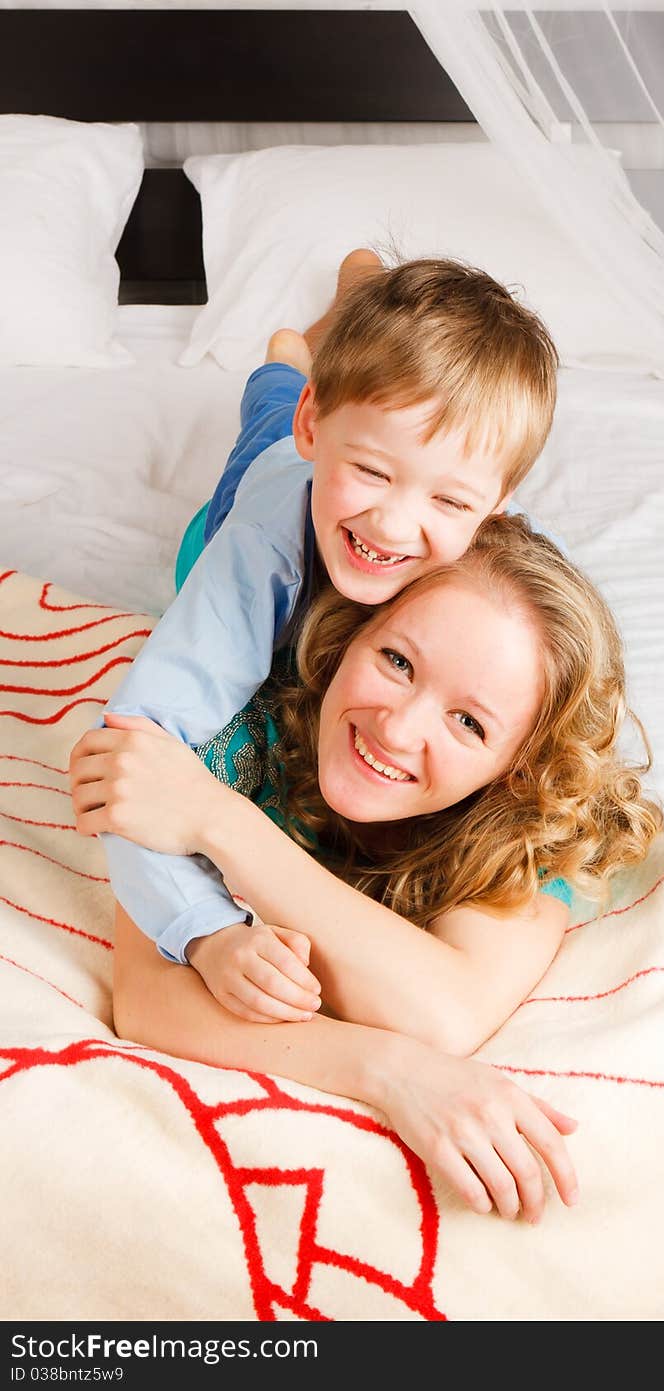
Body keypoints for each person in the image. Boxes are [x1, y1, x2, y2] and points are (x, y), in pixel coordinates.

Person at [71, 513, 663, 1220]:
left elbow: (442, 1013)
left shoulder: (536, 823)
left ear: (519, 769)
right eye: (397, 661)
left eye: (468, 722)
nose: (397, 726)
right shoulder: (235, 716)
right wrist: (382, 1068)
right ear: (351, 632)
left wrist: (219, 821)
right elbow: (146, 996)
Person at [97, 249, 562, 1022]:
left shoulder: (494, 576)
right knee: (266, 413)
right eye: (372, 472)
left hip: (331, 478)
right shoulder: (260, 550)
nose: (391, 524)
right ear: (323, 427)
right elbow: (135, 749)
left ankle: (356, 290)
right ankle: (293, 351)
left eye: (449, 499)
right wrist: (207, 932)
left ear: (498, 508)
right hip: (271, 486)